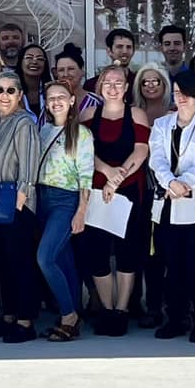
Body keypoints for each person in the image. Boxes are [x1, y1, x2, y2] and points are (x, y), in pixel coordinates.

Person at [149, 69, 195, 343]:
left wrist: (184, 184)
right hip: (168, 206)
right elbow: (156, 159)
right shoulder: (161, 125)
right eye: (178, 93)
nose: (181, 98)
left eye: (187, 94)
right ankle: (175, 318)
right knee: (172, 266)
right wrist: (171, 183)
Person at [81, 65, 150, 336]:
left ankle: (122, 310)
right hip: (96, 193)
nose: (112, 86)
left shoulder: (136, 114)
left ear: (126, 87)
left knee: (127, 252)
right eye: (107, 82)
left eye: (118, 82)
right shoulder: (88, 115)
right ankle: (107, 309)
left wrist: (116, 180)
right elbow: (82, 151)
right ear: (99, 86)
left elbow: (141, 150)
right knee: (97, 253)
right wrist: (107, 173)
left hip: (129, 191)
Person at [0, 71, 45, 343]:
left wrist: (23, 195)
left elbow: (30, 163)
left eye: (10, 90)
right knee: (2, 263)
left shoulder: (24, 123)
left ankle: (24, 321)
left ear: (20, 95)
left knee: (20, 262)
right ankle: (8, 316)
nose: (4, 95)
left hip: (16, 203)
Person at [35, 83, 93, 342]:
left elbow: (86, 176)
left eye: (61, 97)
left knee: (45, 258)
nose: (56, 102)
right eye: (51, 98)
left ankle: (69, 315)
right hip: (42, 198)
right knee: (63, 259)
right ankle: (73, 312)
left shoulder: (80, 134)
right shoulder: (44, 130)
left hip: (65, 200)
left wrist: (81, 211)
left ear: (72, 101)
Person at [16, 44, 50, 113]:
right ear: (20, 62)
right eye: (29, 57)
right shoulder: (12, 90)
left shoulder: (51, 90)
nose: (34, 62)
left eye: (40, 59)